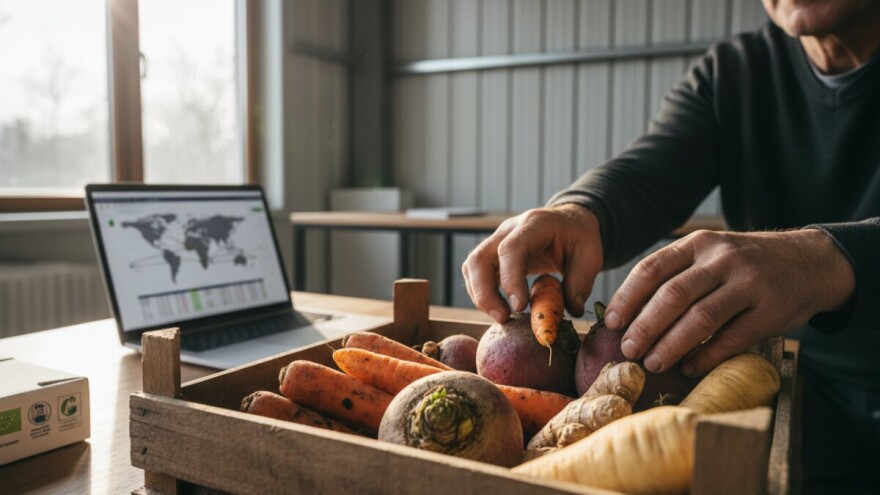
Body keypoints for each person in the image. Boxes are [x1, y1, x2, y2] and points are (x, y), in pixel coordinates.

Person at [462, 0, 880, 487]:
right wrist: (580, 211)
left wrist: (826, 260)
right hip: (784, 383)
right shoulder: (734, 73)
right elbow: (650, 173)